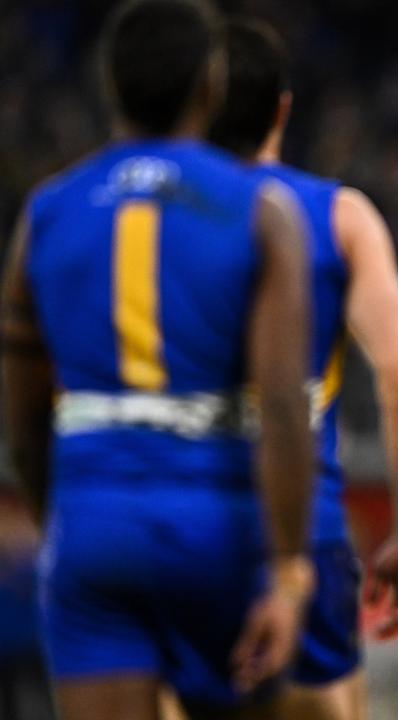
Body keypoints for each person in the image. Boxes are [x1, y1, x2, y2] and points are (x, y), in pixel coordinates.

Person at [0, 1, 316, 718]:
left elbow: (21, 414)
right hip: (215, 522)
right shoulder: (260, 209)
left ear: (109, 87)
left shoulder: (47, 211)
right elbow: (283, 405)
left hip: (91, 517)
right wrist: (290, 571)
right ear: (210, 85)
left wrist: (64, 525)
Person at [206, 17, 398, 720]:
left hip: (177, 521)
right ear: (283, 107)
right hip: (302, 525)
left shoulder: (141, 216)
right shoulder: (338, 216)